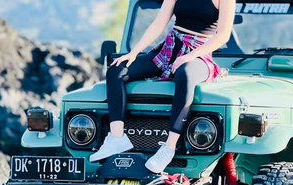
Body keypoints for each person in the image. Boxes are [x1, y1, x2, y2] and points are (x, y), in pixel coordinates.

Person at [90, 0, 236, 173]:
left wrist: (191, 55)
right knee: (116, 70)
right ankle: (116, 137)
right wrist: (134, 52)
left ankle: (168, 148)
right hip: (171, 47)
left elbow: (223, 35)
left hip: (200, 53)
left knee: (185, 73)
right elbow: (159, 23)